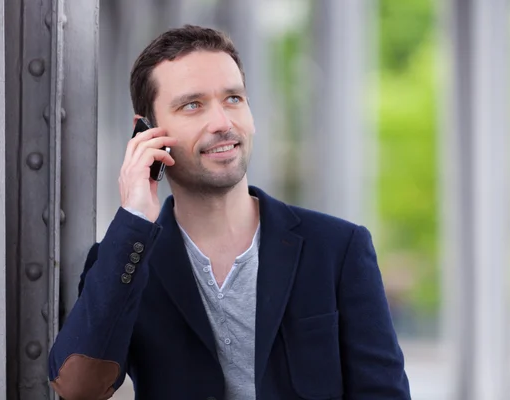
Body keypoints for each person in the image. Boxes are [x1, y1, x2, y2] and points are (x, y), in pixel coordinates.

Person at [48, 24, 411, 400]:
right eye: (193, 105)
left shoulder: (338, 249)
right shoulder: (126, 260)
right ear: (148, 134)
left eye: (233, 99)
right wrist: (135, 218)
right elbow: (79, 388)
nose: (222, 122)